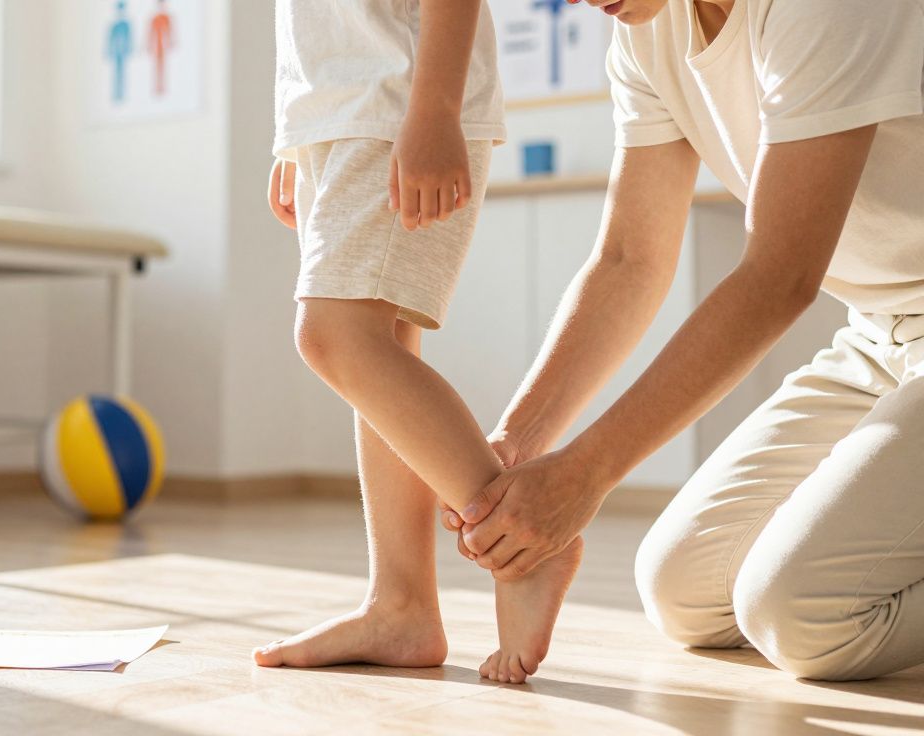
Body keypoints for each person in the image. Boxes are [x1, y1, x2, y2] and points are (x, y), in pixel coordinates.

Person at [447, 0, 924, 682]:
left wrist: (585, 474)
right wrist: (519, 441)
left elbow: (779, 278)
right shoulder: (645, 36)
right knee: (683, 591)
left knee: (801, 615)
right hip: (878, 338)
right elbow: (628, 260)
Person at [255, 0, 583, 685]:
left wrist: (434, 109)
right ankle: (401, 606)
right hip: (337, 108)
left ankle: (525, 543)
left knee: (334, 336)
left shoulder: (413, 102)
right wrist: (295, 135)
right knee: (382, 347)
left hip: (397, 100)